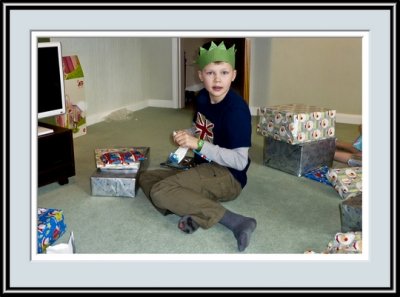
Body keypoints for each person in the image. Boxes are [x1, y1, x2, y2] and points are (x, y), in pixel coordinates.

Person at [139, 41, 257, 252]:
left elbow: (240, 162)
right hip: (202, 167)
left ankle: (236, 221)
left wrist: (198, 144)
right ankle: (190, 209)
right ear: (201, 75)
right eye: (210, 73)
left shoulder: (236, 111)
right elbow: (200, 126)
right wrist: (188, 134)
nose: (218, 79)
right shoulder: (202, 97)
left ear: (234, 74)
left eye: (224, 72)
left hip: (228, 177)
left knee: (160, 191)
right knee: (147, 177)